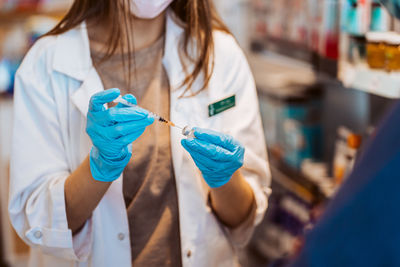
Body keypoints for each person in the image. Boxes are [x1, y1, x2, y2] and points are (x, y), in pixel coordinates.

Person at [8, 0, 271, 266]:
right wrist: (98, 168)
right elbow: (38, 222)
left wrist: (224, 179)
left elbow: (243, 218)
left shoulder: (220, 53)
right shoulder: (47, 64)